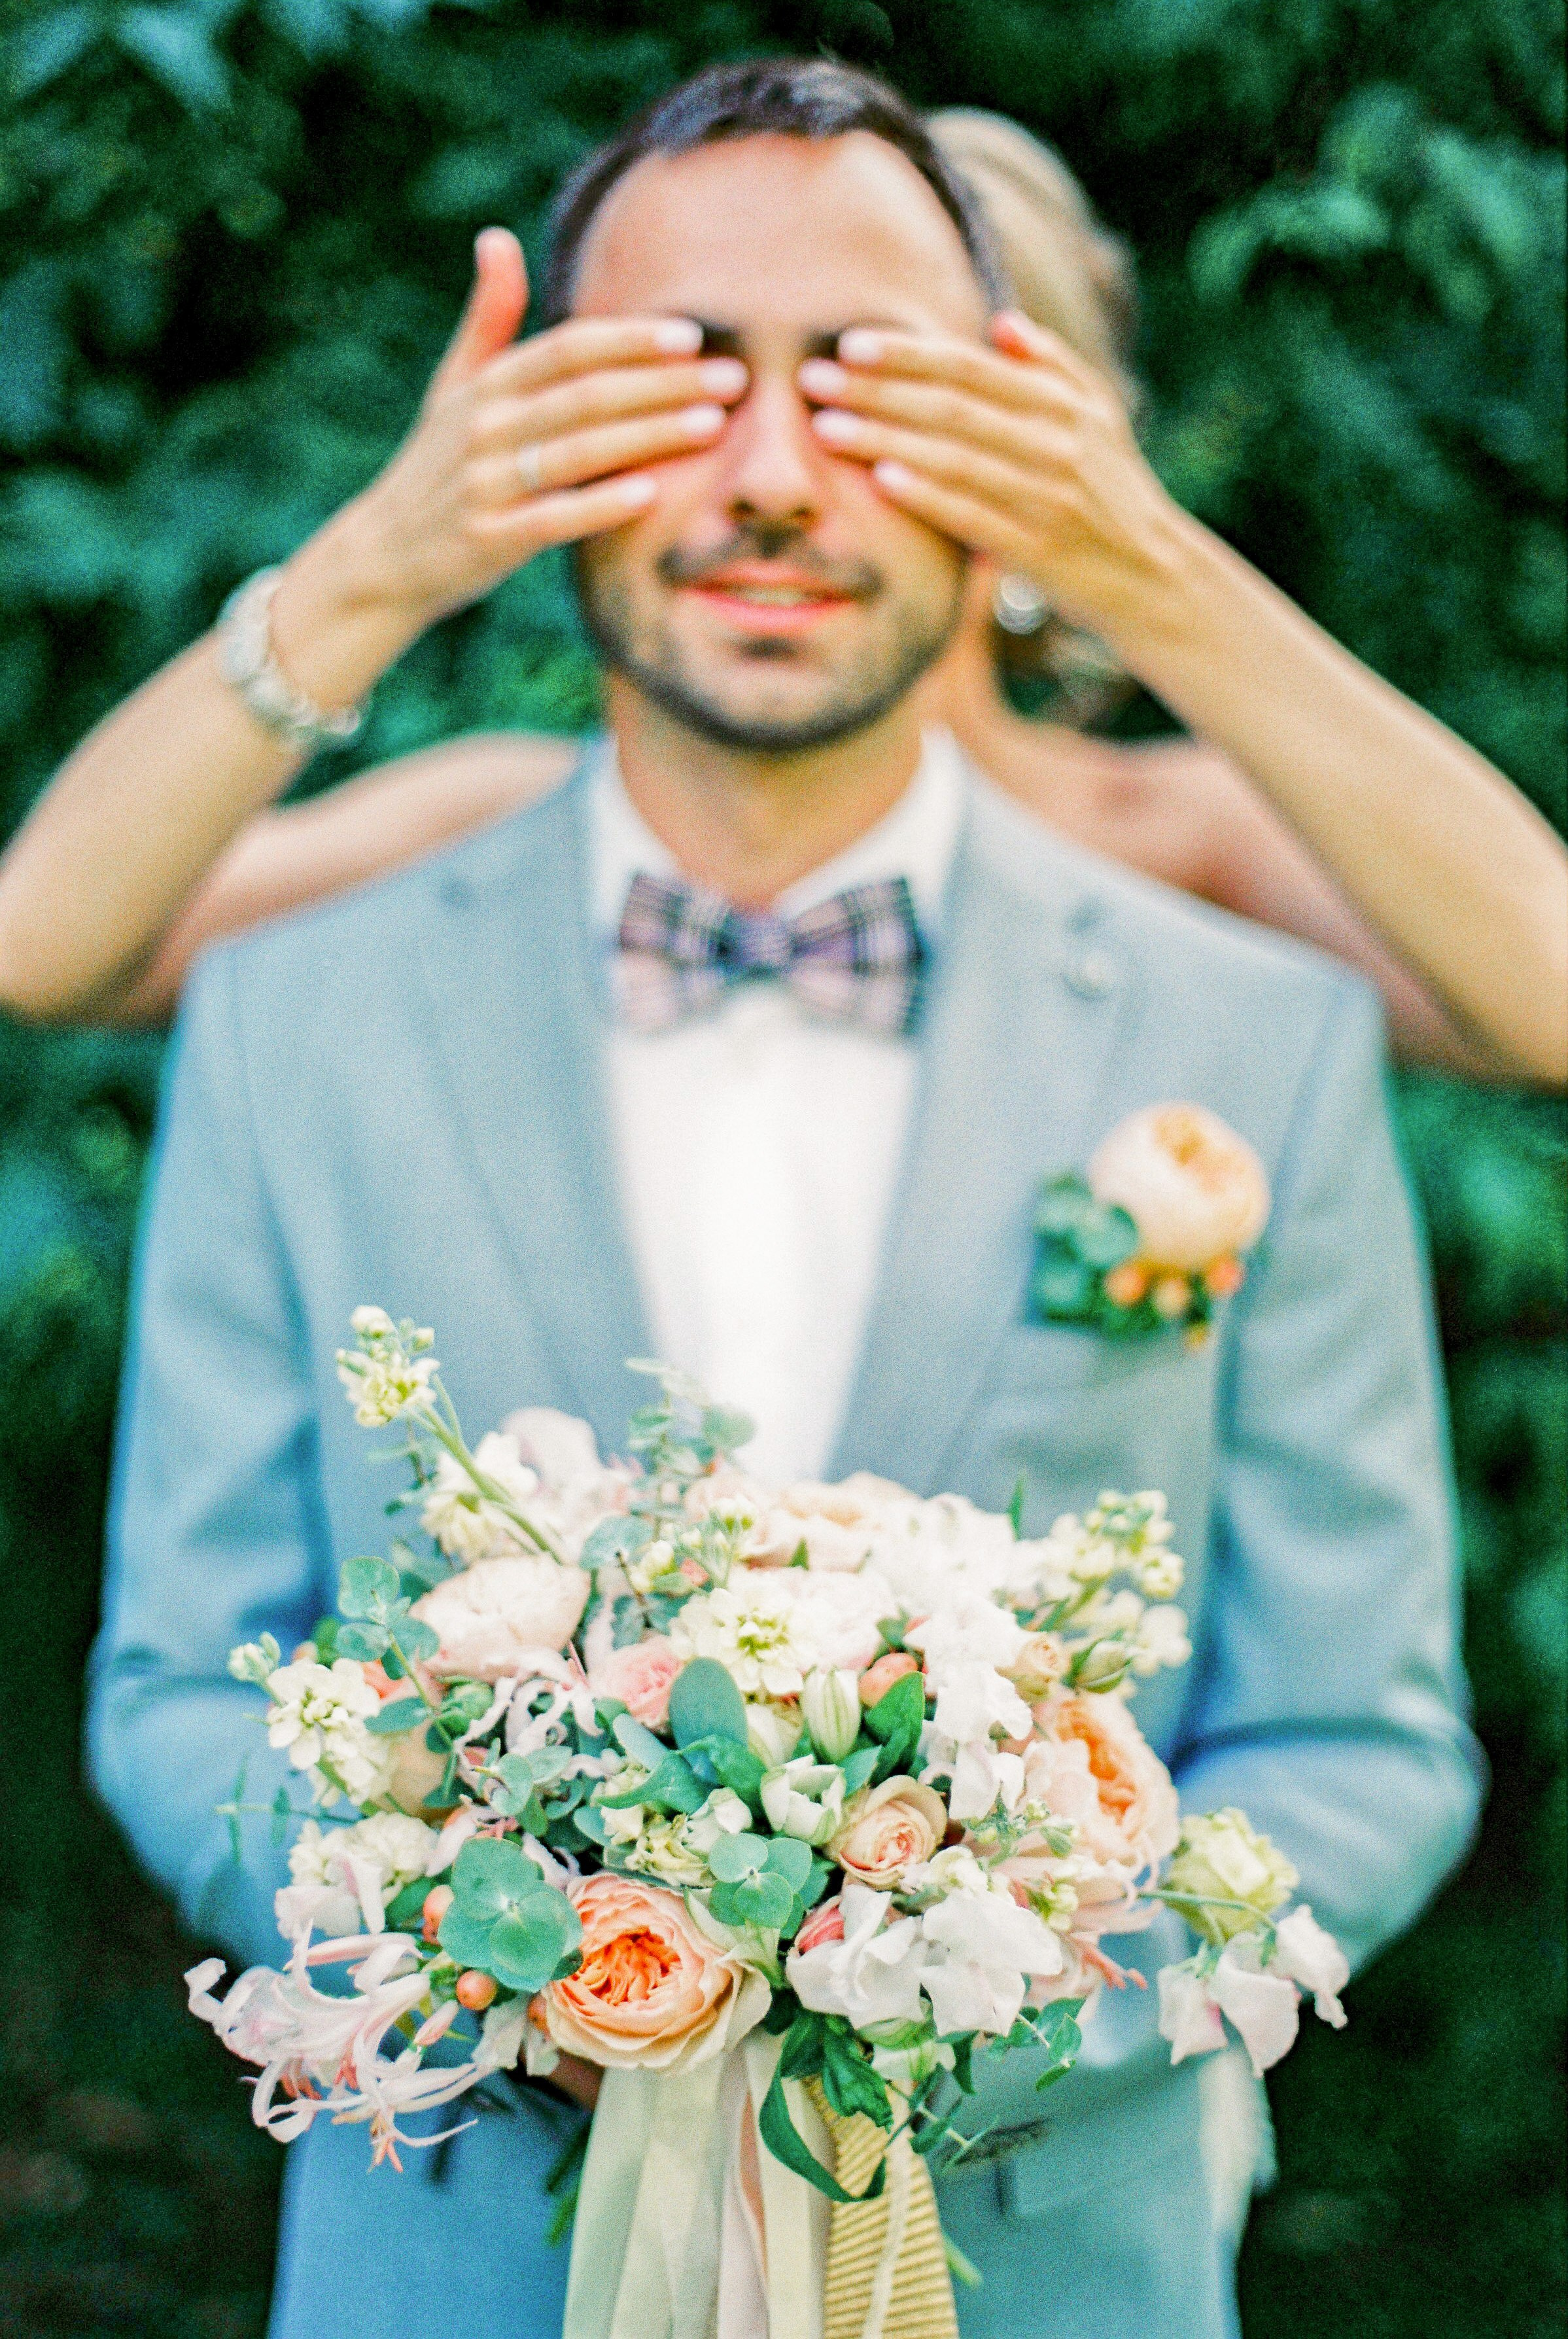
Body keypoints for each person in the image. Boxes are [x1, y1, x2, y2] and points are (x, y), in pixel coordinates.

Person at [88, 58, 1482, 2339]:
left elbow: (1353, 1732)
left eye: (861, 393)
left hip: (1055, 2264)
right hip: (441, 2258)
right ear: (543, 433)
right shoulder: (294, 1008)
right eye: (677, 382)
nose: (762, 475)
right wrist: (478, 1935)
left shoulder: (1252, 1021)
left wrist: (974, 1982)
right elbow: (177, 1674)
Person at [1, 118, 1563, 1082]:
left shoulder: (1176, 844)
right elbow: (48, 949)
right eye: (710, 376)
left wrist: (1146, 573)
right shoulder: (501, 829)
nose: (779, 469)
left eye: (883, 386)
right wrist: (377, 564)